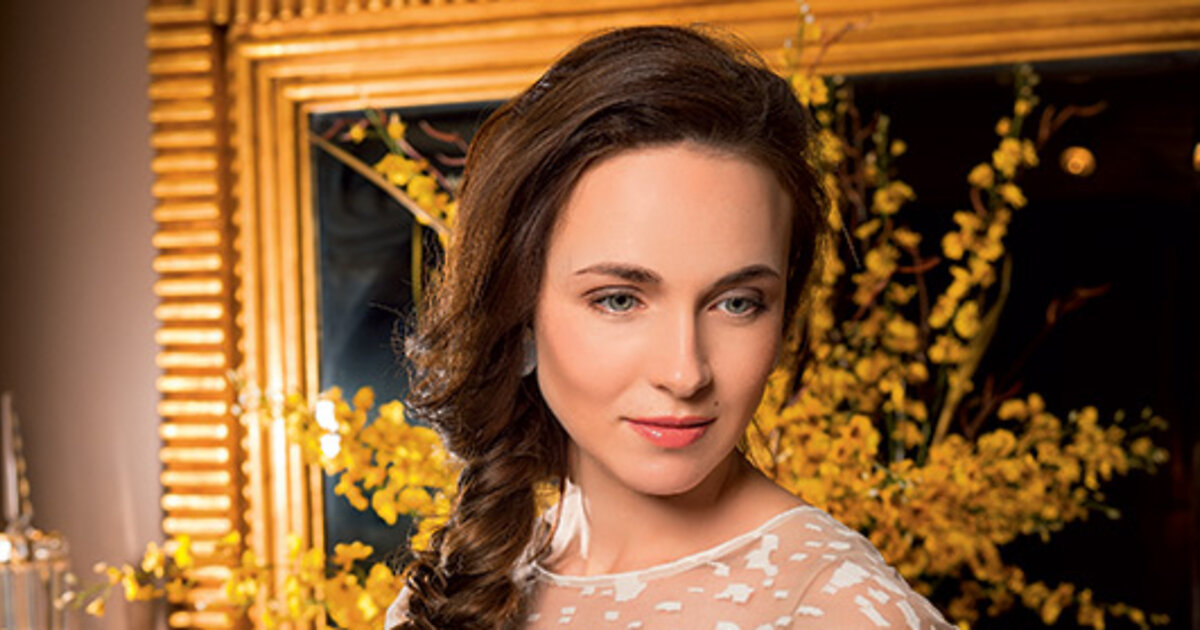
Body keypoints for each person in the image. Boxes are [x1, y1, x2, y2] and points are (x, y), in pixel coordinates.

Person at [387, 25, 956, 630]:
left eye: (737, 303)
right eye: (619, 300)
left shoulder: (845, 612)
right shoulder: (456, 591)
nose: (685, 373)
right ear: (519, 307)